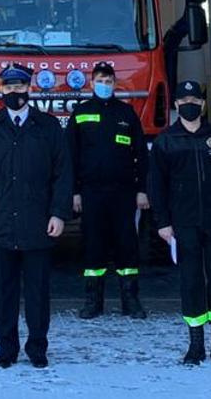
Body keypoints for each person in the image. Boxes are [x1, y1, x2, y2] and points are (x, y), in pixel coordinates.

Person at [0, 65, 72, 369]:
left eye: (20, 87)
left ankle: (37, 348)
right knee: (4, 292)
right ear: (2, 91)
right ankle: (6, 349)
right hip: (1, 224)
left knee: (38, 293)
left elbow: (63, 174)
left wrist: (58, 213)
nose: (15, 93)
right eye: (9, 88)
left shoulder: (48, 127)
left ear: (29, 89)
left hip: (38, 224)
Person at [150, 80, 211, 366]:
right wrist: (162, 222)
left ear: (203, 104)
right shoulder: (166, 141)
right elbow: (156, 186)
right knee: (190, 281)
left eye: (194, 100)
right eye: (184, 101)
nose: (189, 105)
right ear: (177, 105)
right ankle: (195, 344)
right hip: (183, 223)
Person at [68, 62, 148, 320]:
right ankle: (93, 302)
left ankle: (131, 301)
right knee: (93, 245)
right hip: (91, 193)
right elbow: (70, 156)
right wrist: (74, 192)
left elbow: (141, 154)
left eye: (109, 81)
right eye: (100, 81)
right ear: (92, 83)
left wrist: (142, 190)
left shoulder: (126, 113)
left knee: (127, 245)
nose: (104, 85)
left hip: (124, 193)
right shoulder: (80, 113)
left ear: (115, 84)